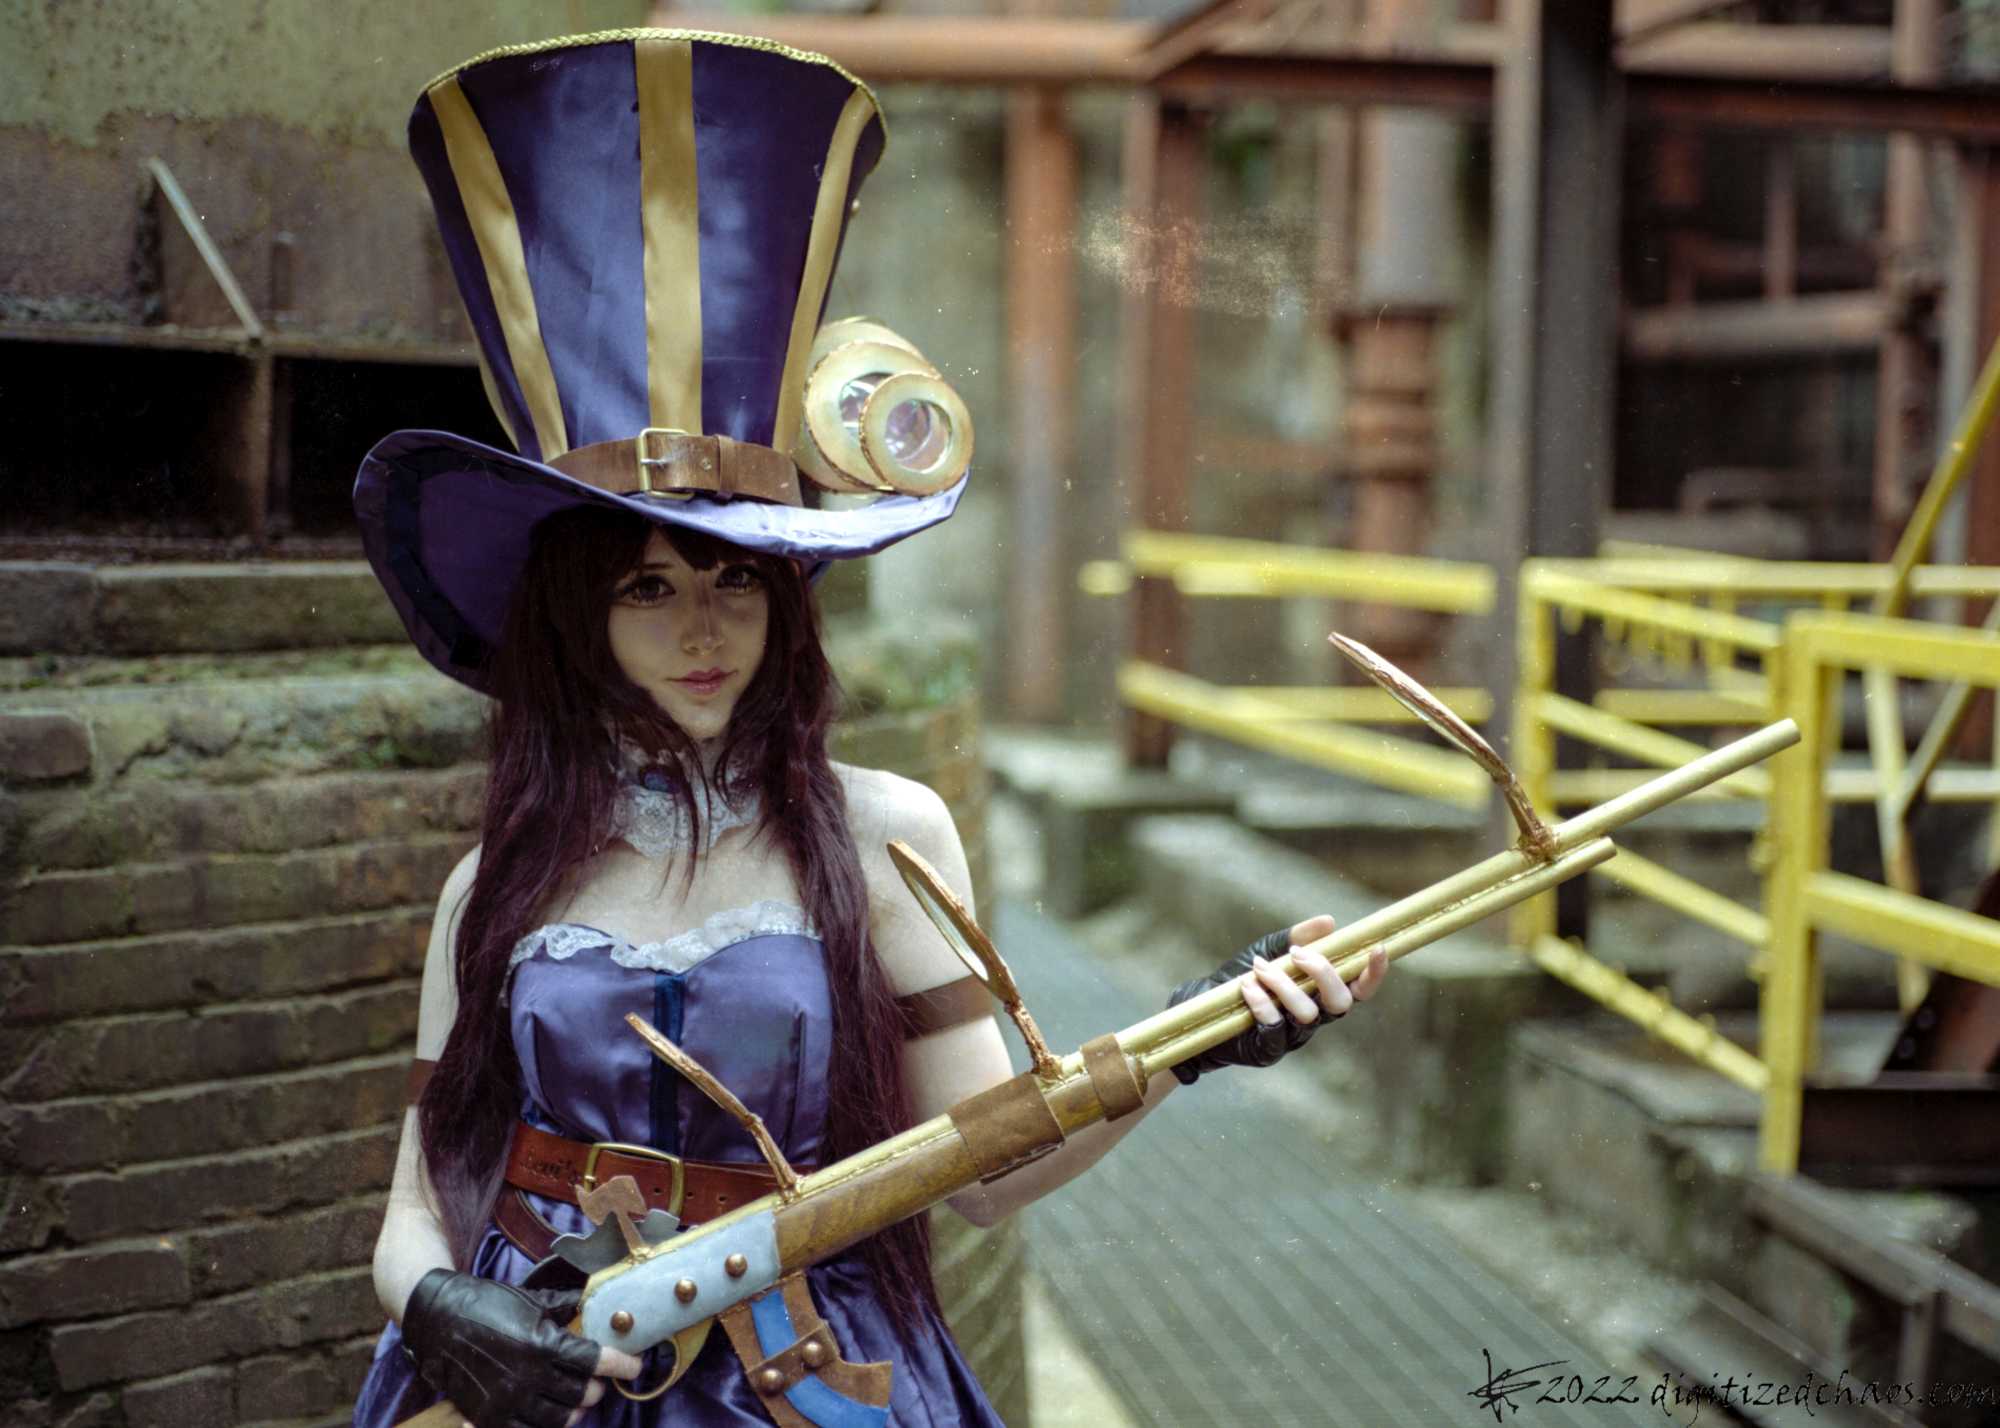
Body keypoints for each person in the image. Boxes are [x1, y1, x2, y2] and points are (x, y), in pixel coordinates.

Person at [349, 29, 1386, 1428]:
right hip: (539, 1381)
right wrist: (434, 1306)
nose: (704, 628)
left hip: (812, 1386)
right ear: (574, 619)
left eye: (737, 582)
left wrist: (1190, 1040)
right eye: (647, 588)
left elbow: (991, 1177)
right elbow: (418, 1201)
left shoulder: (886, 836)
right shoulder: (493, 885)